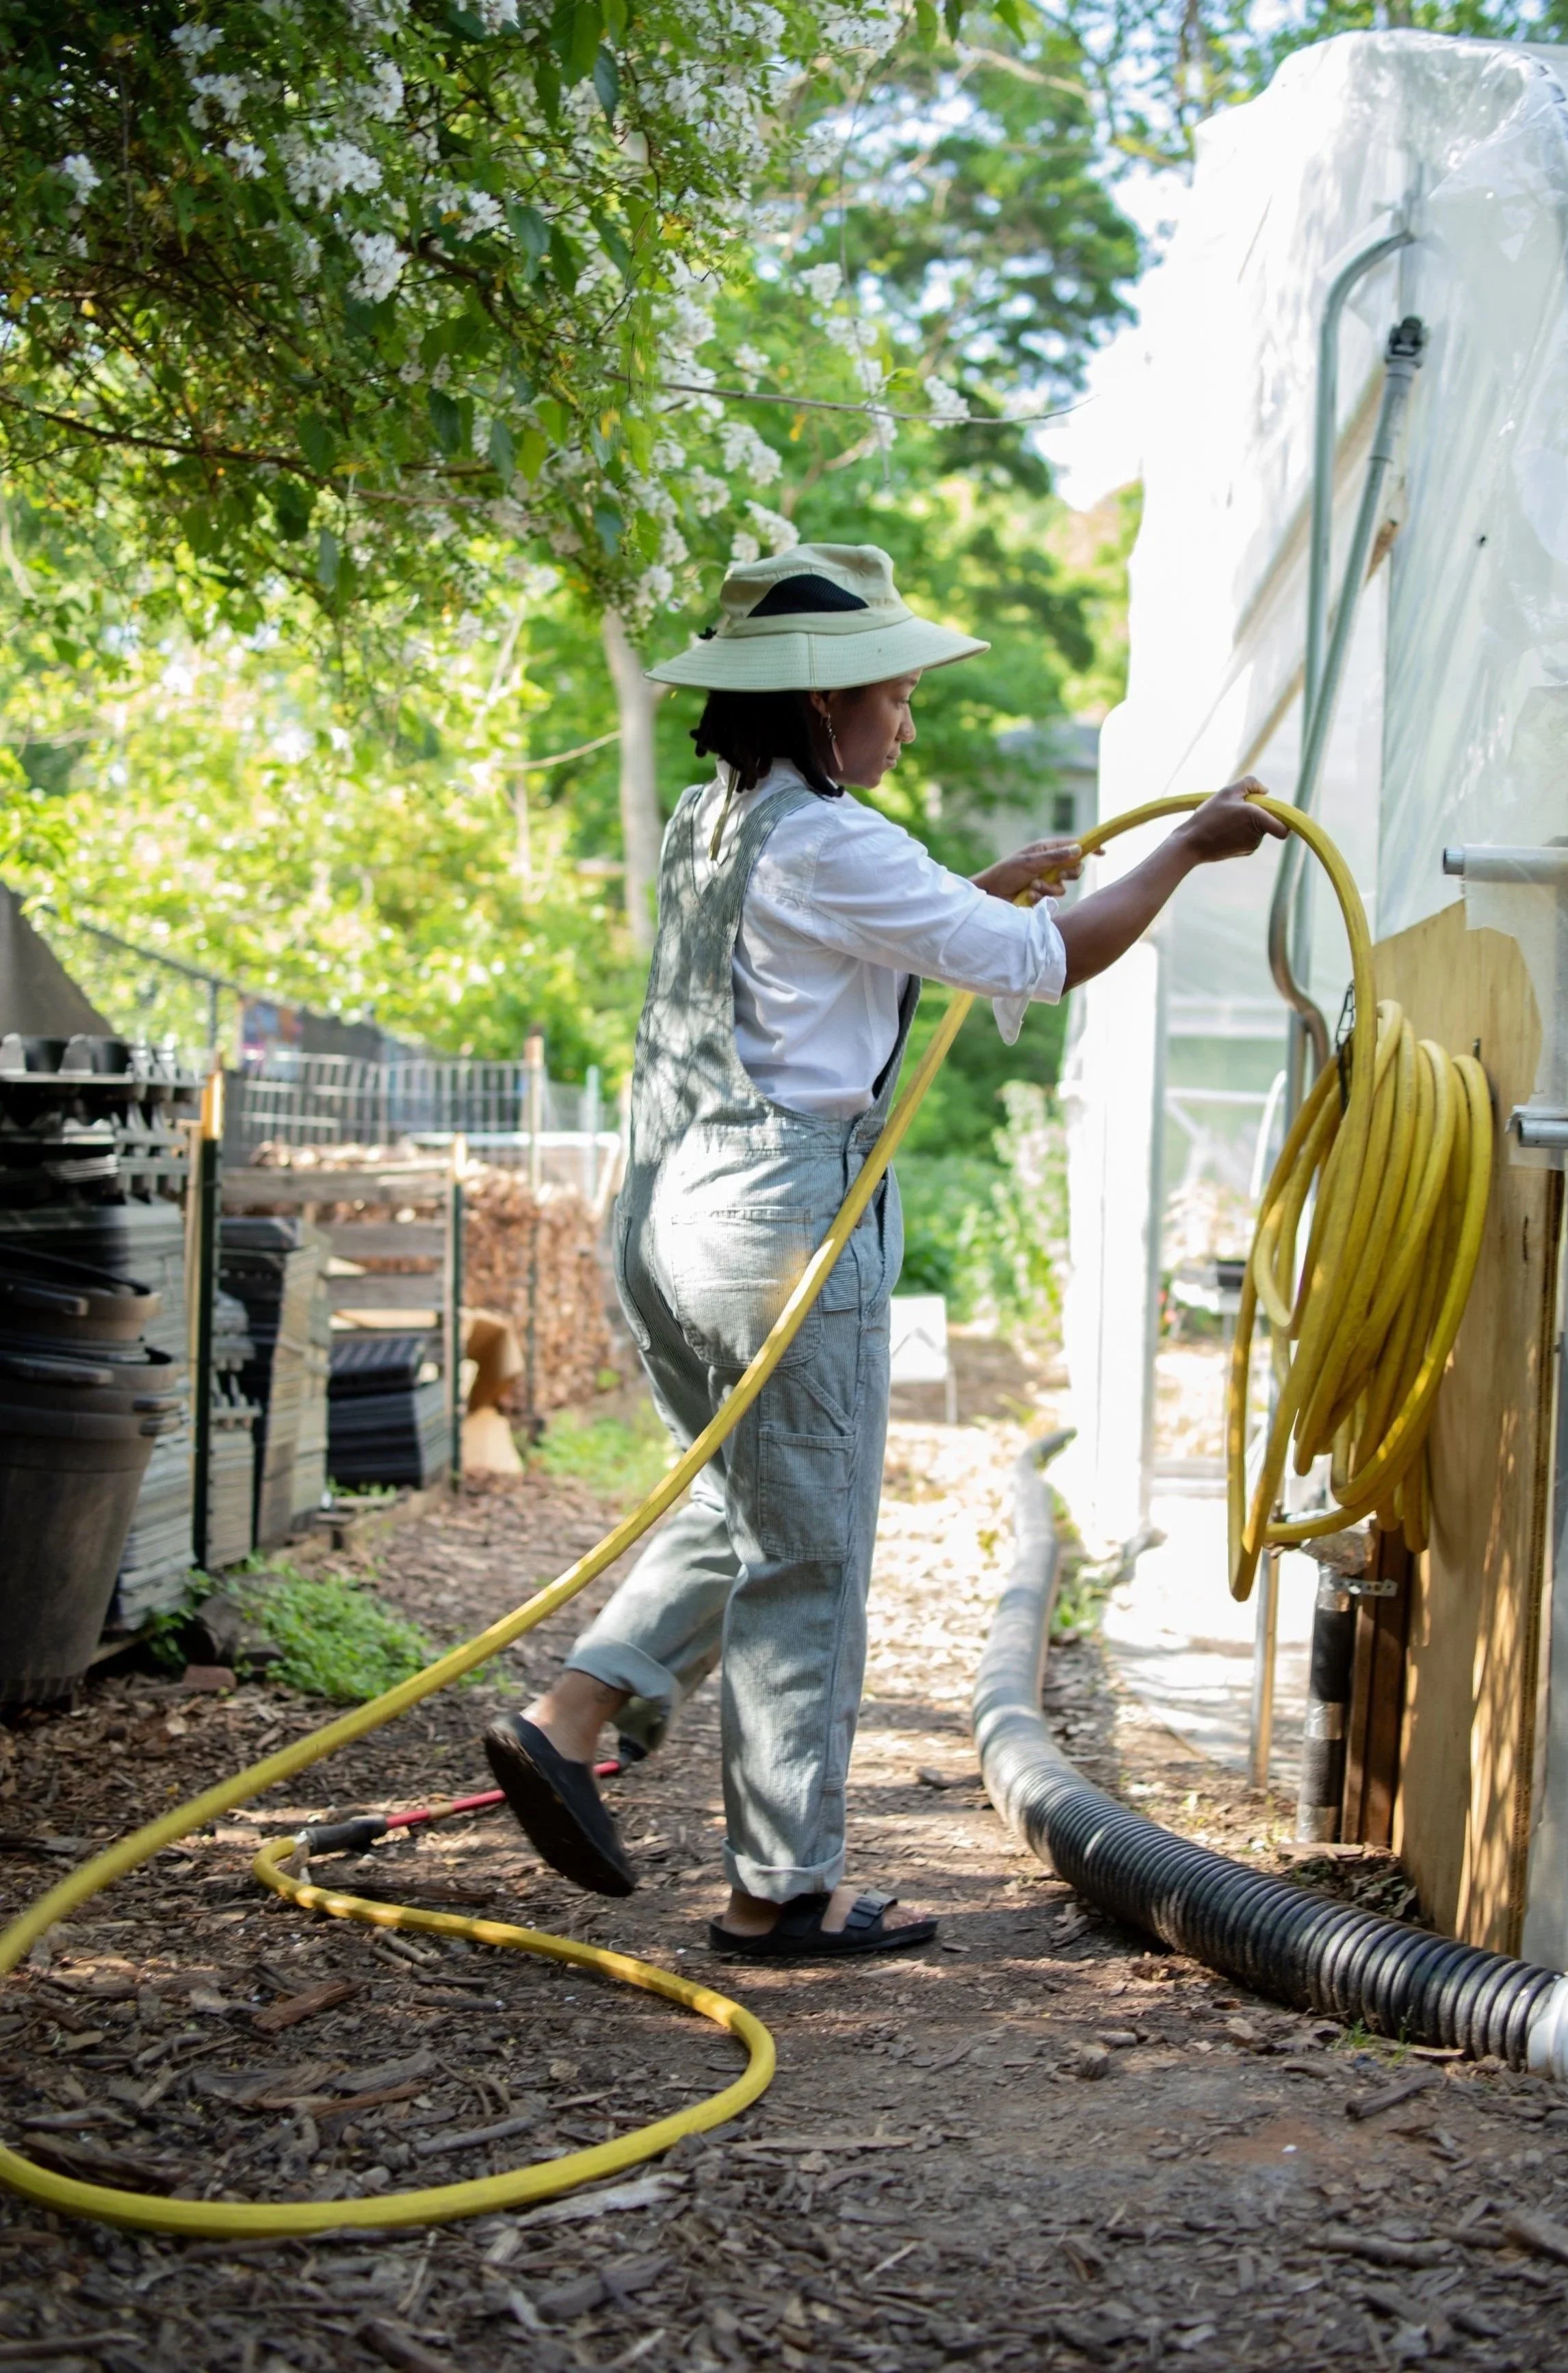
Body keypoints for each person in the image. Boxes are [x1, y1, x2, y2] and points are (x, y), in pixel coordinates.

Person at [484, 541, 1285, 1961]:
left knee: (736, 1509)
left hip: (669, 1210)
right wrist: (1182, 849)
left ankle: (574, 1715)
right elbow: (1044, 960)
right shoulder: (837, 840)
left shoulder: (709, 821)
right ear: (820, 703)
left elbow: (809, 958)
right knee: (807, 1558)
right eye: (894, 696)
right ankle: (779, 1890)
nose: (905, 723)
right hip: (780, 1229)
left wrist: (973, 890)